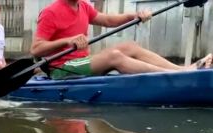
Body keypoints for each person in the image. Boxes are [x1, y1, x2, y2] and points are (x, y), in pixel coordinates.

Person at [30, 0, 213, 79]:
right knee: (114, 56)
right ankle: (178, 76)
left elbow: (108, 20)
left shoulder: (83, 6)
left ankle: (183, 70)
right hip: (61, 69)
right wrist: (67, 41)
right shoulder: (51, 12)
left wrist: (135, 16)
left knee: (129, 46)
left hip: (81, 62)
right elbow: (36, 49)